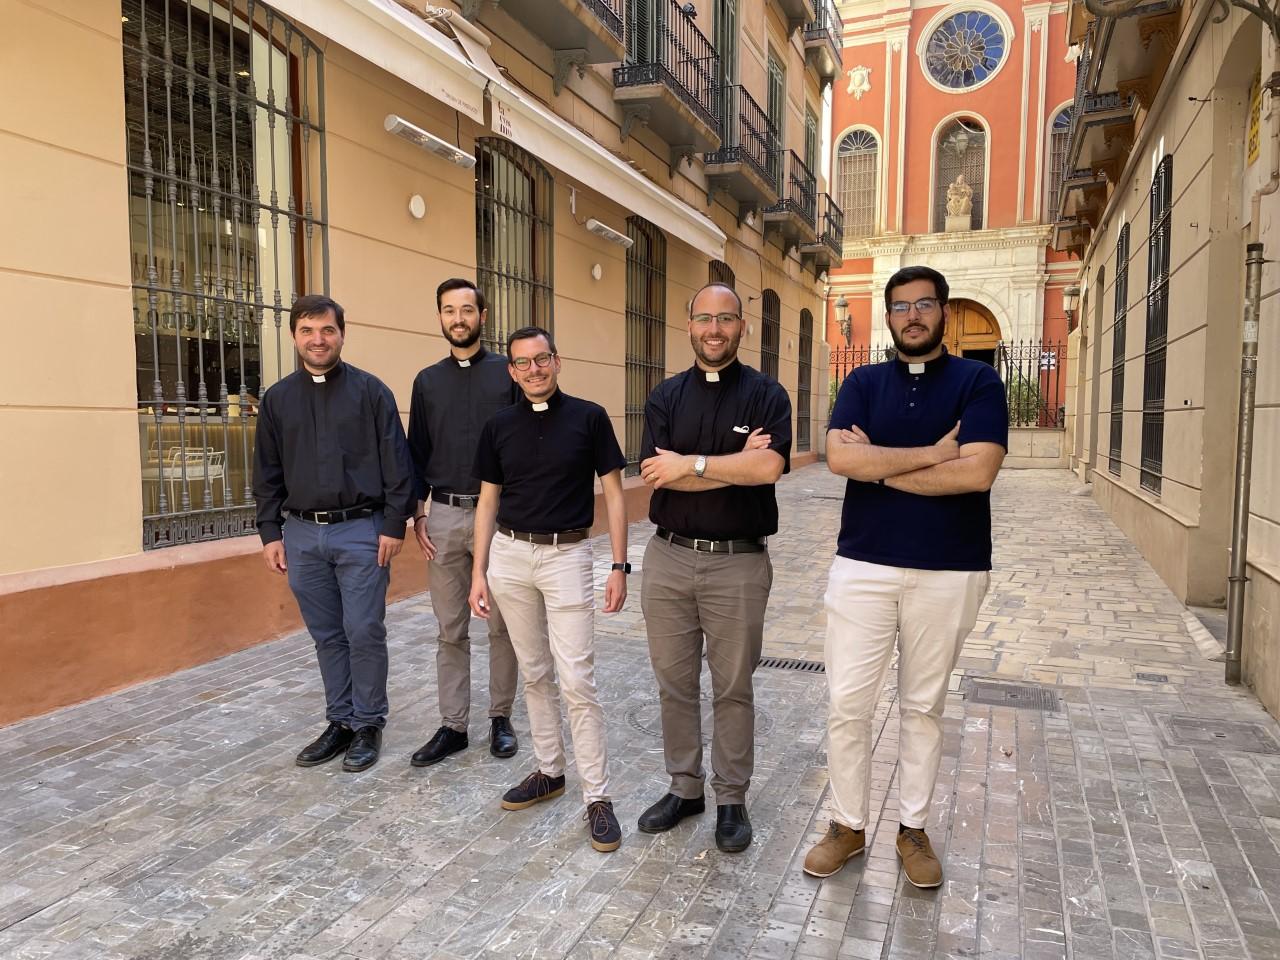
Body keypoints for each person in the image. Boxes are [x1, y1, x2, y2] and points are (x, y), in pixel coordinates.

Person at [803, 265, 1006, 888]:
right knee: (847, 703)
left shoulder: (979, 381)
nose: (911, 315)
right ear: (888, 316)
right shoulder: (862, 382)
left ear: (942, 311)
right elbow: (839, 456)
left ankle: (912, 828)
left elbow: (978, 474)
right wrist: (936, 453)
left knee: (923, 707)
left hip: (950, 568)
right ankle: (847, 824)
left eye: (923, 304)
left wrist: (880, 467)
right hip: (863, 563)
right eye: (899, 307)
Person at [634, 282, 791, 854]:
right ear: (689, 324)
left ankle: (730, 798)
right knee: (674, 684)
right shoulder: (666, 396)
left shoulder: (767, 394)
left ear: (742, 327)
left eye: (726, 319)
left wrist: (693, 464)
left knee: (732, 687)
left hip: (738, 563)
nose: (715, 329)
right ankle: (684, 788)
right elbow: (656, 473)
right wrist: (735, 464)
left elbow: (769, 469)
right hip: (668, 557)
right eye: (705, 318)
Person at [468, 326, 630, 853]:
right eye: (523, 363)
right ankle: (548, 770)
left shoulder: (589, 417)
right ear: (511, 371)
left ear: (557, 362)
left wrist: (619, 565)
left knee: (576, 678)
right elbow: (487, 503)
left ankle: (598, 798)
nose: (534, 370)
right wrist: (479, 572)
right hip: (511, 557)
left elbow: (614, 493)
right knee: (534, 672)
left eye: (542, 360)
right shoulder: (498, 427)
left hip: (567, 555)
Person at [254, 294, 416, 773]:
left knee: (364, 630)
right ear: (294, 337)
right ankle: (340, 721)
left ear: (342, 334)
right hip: (302, 535)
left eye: (327, 330)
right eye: (308, 330)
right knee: (327, 634)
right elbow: (267, 471)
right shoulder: (279, 399)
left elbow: (397, 463)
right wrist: (269, 532)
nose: (318, 339)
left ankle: (368, 723)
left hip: (362, 531)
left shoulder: (371, 393)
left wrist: (393, 525)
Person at [406, 279, 520, 768]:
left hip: (499, 514)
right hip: (446, 514)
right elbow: (416, 453)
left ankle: (500, 718)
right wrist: (416, 513)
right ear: (439, 318)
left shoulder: (508, 375)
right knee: (450, 628)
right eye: (449, 310)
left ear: (483, 315)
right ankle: (453, 725)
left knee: (502, 626)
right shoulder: (427, 382)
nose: (458, 318)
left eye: (467, 309)